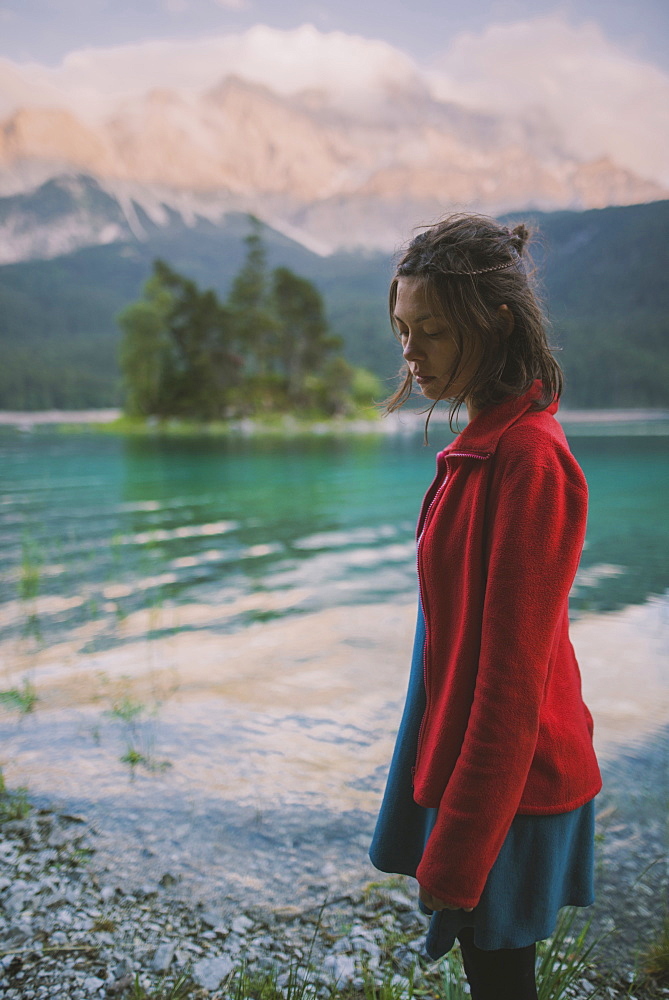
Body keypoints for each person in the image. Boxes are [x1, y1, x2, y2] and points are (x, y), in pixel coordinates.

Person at [369, 214, 602, 1000]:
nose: (410, 351)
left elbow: (510, 685)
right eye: (403, 329)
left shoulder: (529, 460)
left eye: (430, 330)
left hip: (511, 788)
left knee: (502, 987)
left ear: (494, 322)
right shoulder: (482, 446)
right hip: (475, 772)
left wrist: (462, 846)